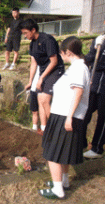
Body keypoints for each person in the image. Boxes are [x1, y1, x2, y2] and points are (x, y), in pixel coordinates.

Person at [39, 36, 90, 199]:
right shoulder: (75, 67)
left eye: (61, 53)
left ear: (67, 52)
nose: (60, 56)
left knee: (52, 154)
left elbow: (78, 92)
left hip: (65, 116)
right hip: (62, 114)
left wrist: (69, 117)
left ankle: (58, 189)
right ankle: (63, 182)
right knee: (63, 153)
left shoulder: (79, 68)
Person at [21, 19, 65, 135]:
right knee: (40, 99)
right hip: (43, 72)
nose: (25, 36)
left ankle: (57, 130)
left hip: (55, 71)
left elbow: (54, 61)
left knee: (45, 99)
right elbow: (34, 63)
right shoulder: (32, 44)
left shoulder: (47, 40)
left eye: (26, 33)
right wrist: (31, 81)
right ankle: (45, 128)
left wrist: (41, 78)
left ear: (33, 30)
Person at [82, 32, 105, 159]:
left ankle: (97, 148)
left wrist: (100, 57)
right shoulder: (99, 39)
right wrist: (96, 48)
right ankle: (82, 142)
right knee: (85, 112)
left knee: (103, 117)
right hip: (93, 83)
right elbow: (88, 59)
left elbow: (101, 64)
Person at [30, 66, 40, 132]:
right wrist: (30, 82)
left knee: (43, 109)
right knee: (34, 110)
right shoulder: (36, 63)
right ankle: (34, 127)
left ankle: (44, 128)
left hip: (44, 89)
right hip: (34, 87)